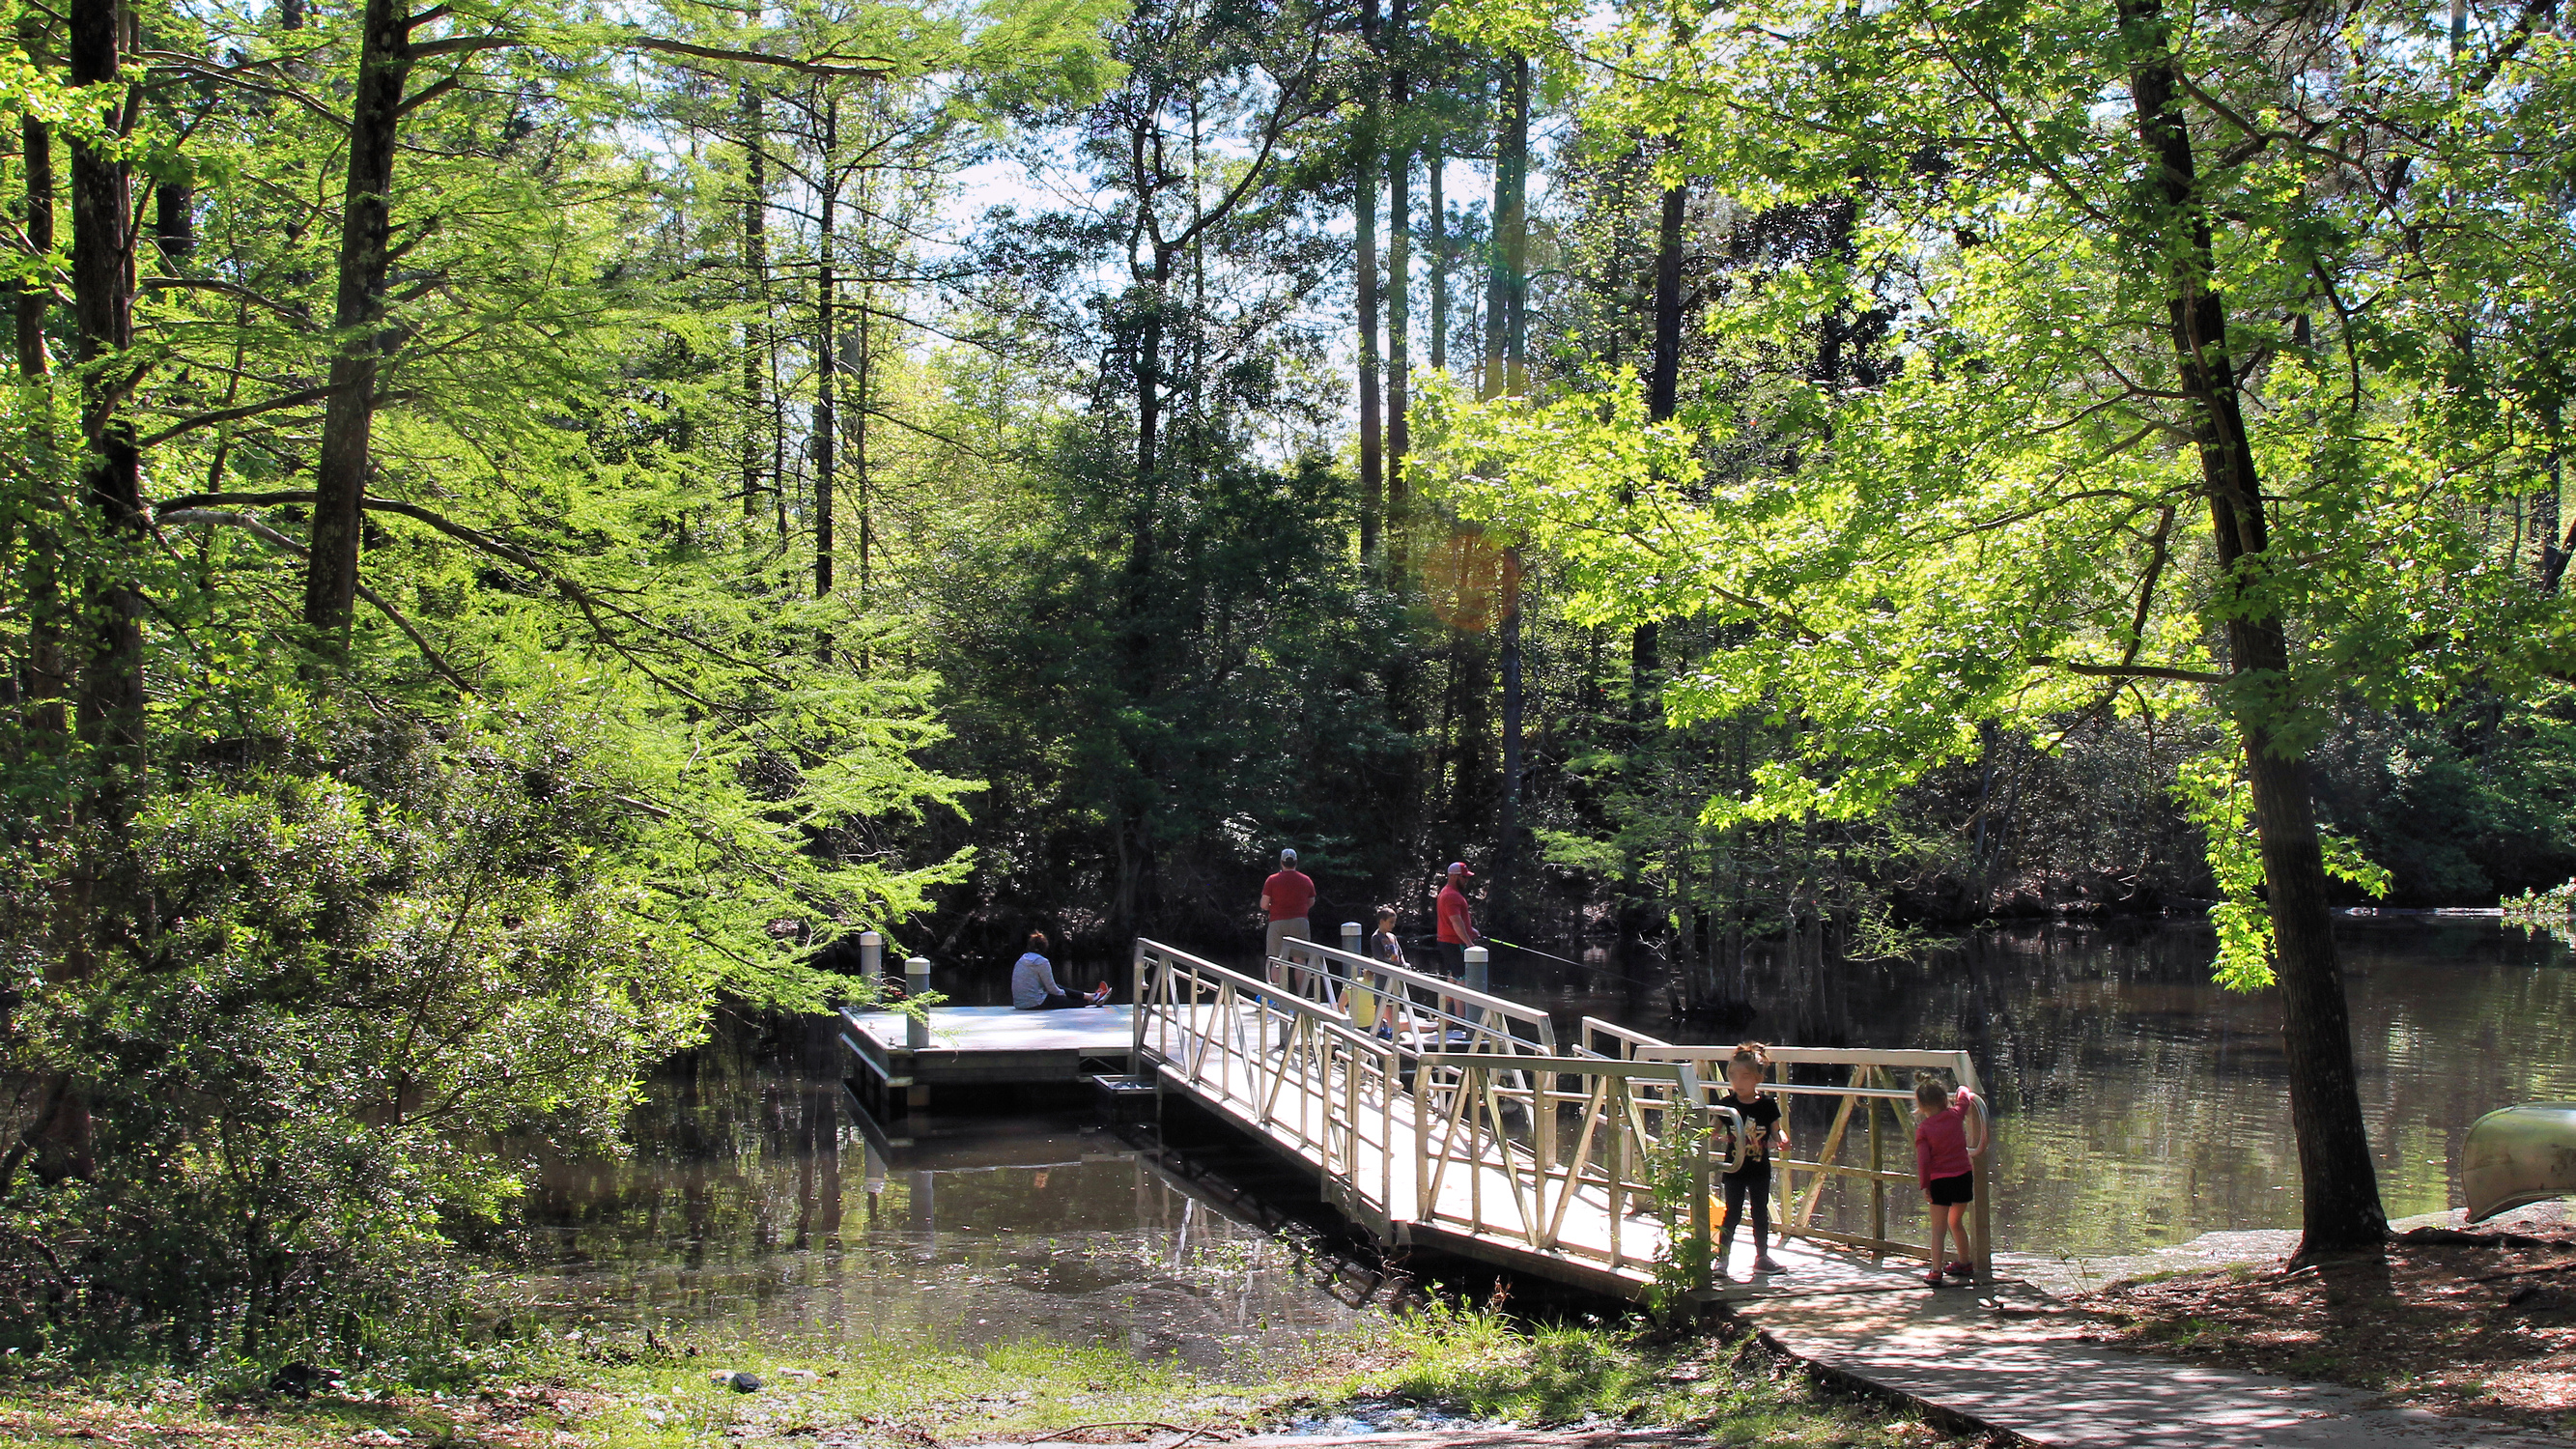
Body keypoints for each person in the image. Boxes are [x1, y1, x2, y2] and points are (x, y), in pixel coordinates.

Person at [1715, 1042, 1788, 1279]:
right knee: (1732, 1213)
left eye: (1745, 1076)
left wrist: (1782, 1139)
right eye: (1733, 1075)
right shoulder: (1727, 1105)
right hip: (1735, 1167)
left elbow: (1777, 1130)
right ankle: (1722, 1258)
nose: (1738, 1081)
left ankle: (1762, 1257)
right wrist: (1719, 1135)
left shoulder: (1767, 1105)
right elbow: (1712, 1130)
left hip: (1759, 1167)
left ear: (1757, 1078)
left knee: (1760, 1213)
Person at [1912, 1070, 1979, 1285]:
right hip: (1963, 1176)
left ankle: (1935, 1271)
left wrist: (1926, 1186)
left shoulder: (1924, 1129)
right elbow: (1965, 1098)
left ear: (1921, 1107)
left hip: (1939, 1181)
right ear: (1944, 1099)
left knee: (1938, 1229)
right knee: (1956, 1222)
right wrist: (1961, 1089)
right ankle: (1965, 1261)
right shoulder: (1955, 1114)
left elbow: (1923, 1161)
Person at [1260, 847, 1317, 988]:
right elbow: (1311, 902)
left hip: (1277, 921)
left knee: (1276, 960)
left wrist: (1272, 908)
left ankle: (1277, 998)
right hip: (1300, 921)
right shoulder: (1306, 880)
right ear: (1296, 862)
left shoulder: (1272, 880)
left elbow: (1263, 904)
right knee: (1299, 960)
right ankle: (1301, 998)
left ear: (1281, 862)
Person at [1012, 931, 1108, 1010]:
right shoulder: (1042, 962)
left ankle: (1093, 996)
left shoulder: (1021, 960)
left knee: (1058, 987)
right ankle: (1093, 999)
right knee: (1070, 1002)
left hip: (1019, 1004)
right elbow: (1051, 989)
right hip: (1034, 1003)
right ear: (1045, 947)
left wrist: (1061, 992)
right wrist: (1063, 995)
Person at [1434, 862, 1479, 977]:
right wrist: (1469, 944)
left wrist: (1470, 930)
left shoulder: (1446, 892)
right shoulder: (1452, 896)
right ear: (1453, 876)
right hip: (1454, 943)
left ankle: (1450, 996)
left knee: (1453, 977)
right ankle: (1461, 996)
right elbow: (1456, 922)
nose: (1466, 880)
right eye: (1464, 877)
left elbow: (1452, 920)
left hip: (1447, 942)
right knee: (1463, 978)